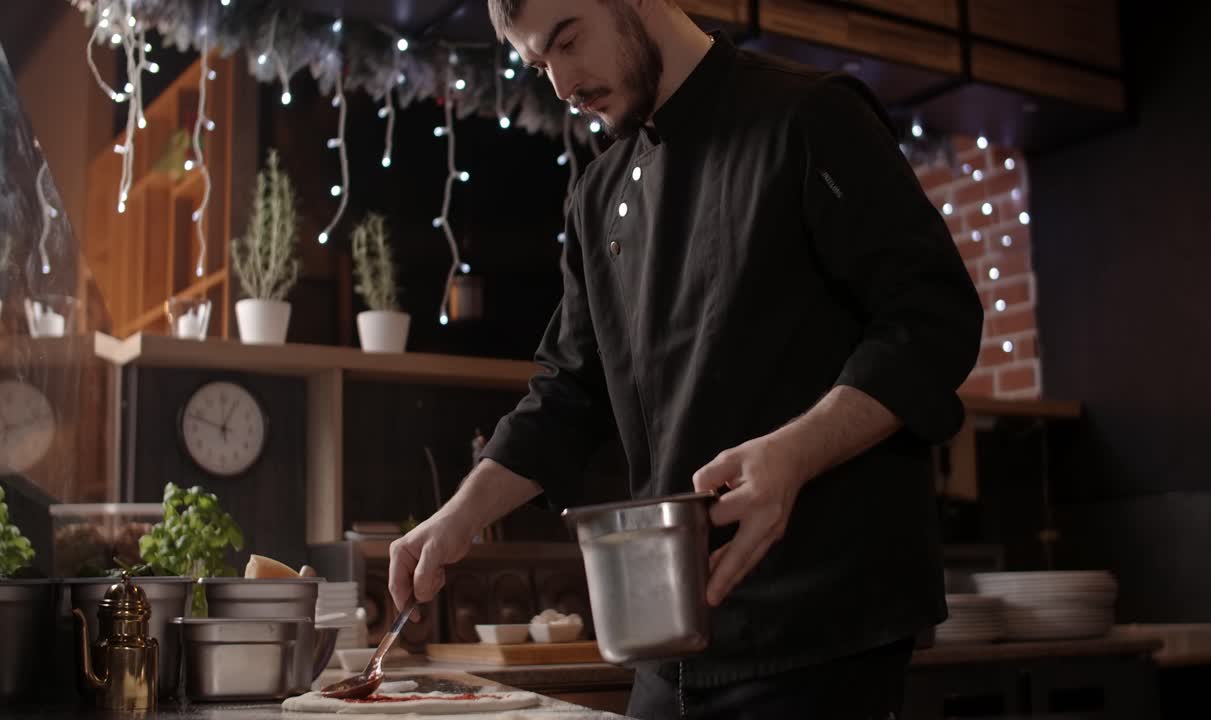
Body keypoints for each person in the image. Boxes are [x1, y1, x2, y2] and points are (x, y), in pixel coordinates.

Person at [389, 1, 984, 717]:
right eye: (539, 65)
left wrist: (796, 451)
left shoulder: (810, 116)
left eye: (569, 40)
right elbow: (568, 392)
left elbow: (933, 317)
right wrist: (454, 520)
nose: (562, 84)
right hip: (668, 645)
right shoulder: (598, 193)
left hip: (823, 634)